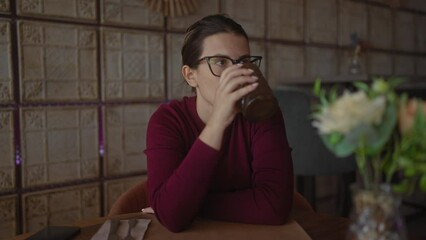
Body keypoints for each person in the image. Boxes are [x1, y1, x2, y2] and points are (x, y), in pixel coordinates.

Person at [144, 14, 294, 233]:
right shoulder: (166, 121)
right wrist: (217, 122)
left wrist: (190, 204)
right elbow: (172, 218)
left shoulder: (263, 112)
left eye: (243, 62)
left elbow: (274, 206)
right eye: (220, 62)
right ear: (190, 76)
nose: (235, 73)